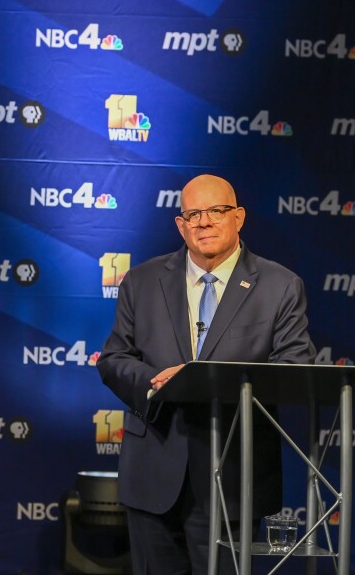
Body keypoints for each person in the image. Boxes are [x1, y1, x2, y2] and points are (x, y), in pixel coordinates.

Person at [96, 174, 315, 575]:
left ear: (239, 217)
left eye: (216, 211)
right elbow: (113, 358)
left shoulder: (280, 286)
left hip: (234, 477)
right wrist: (157, 382)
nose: (204, 222)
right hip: (153, 473)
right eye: (193, 214)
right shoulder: (143, 281)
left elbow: (294, 369)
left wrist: (203, 378)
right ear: (181, 225)